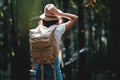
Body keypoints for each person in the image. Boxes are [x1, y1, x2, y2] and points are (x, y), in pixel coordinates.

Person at [34, 3, 78, 80]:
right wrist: (60, 14)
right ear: (56, 19)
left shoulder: (39, 30)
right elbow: (75, 18)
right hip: (53, 64)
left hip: (39, 65)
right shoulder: (58, 29)